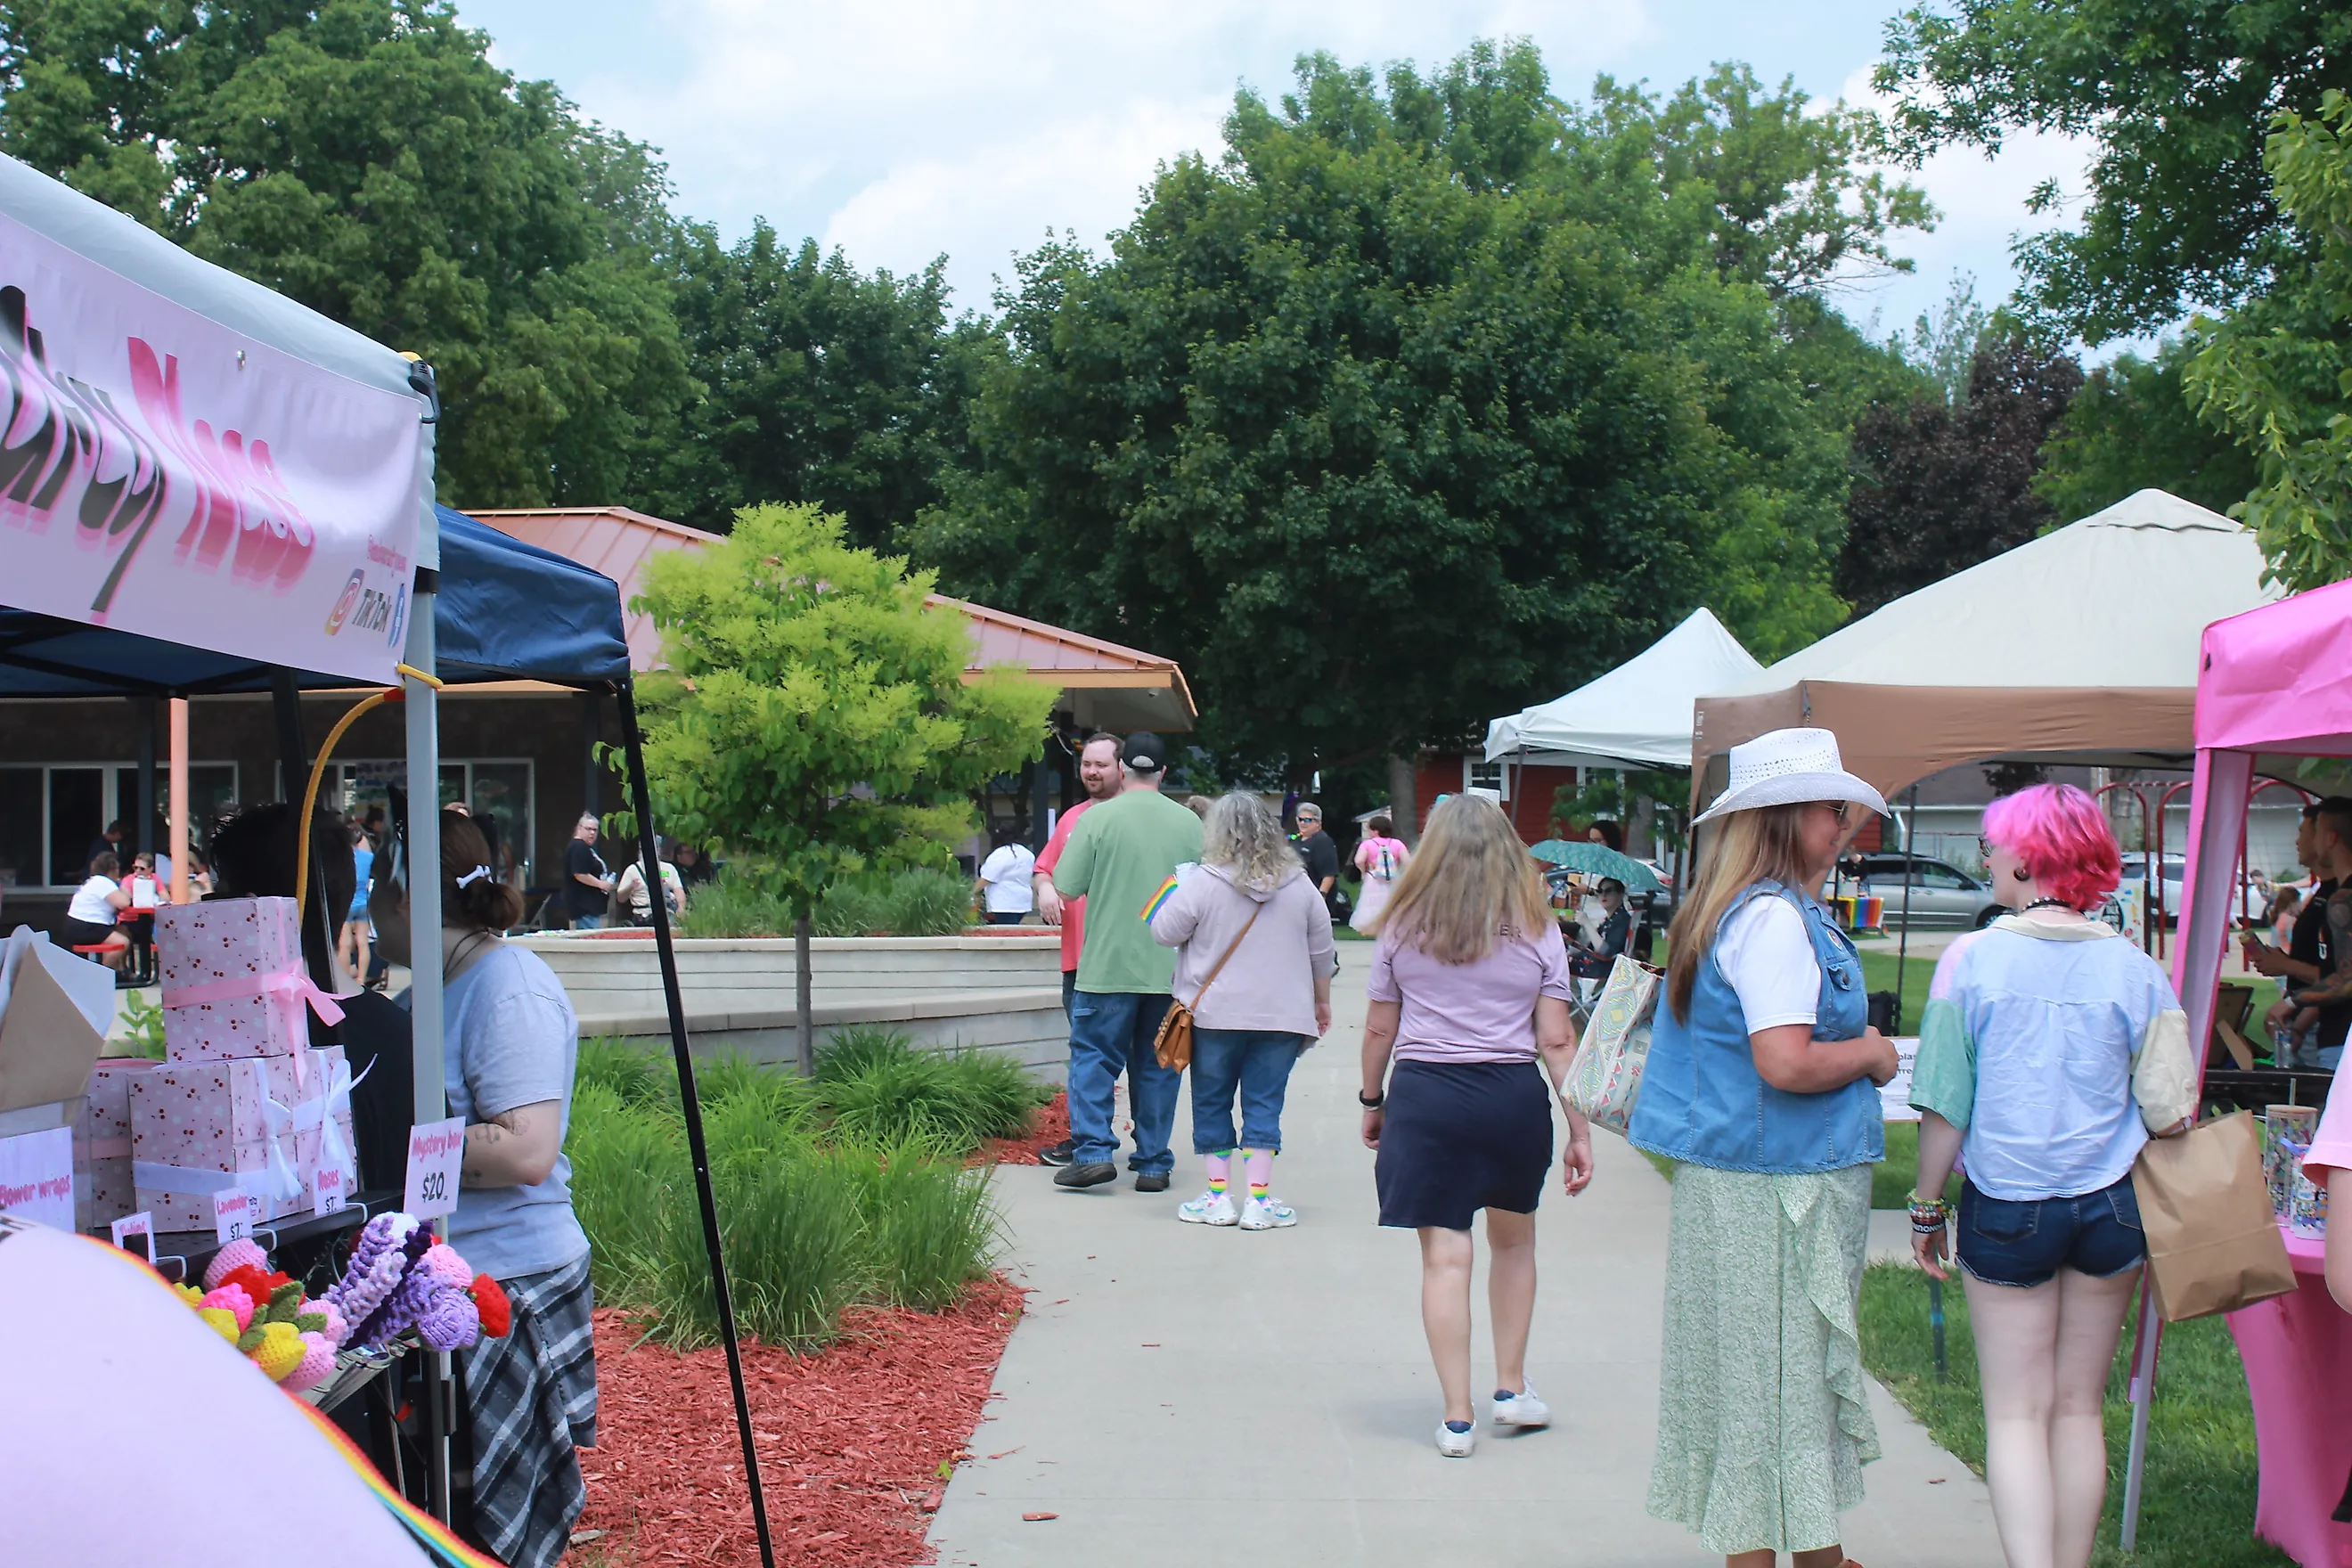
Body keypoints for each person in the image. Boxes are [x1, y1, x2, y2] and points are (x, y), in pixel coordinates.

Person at [1628, 726, 1899, 1568]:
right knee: (1773, 1392)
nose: (1845, 820)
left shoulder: (1736, 908)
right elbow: (1784, 1062)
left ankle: (1816, 1553)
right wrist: (1874, 1052)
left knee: (1761, 1391)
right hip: (1778, 1191)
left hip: (1750, 1183)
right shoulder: (1775, 921)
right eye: (1830, 806)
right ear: (1782, 817)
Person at [1908, 783, 2194, 1568]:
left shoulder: (1971, 960)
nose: (1986, 858)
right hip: (2112, 1209)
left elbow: (1943, 1105)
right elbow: (2172, 1110)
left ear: (2030, 856)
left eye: (1993, 845)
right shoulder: (2136, 969)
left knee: (2015, 1415)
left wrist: (1926, 1205)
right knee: (2077, 1411)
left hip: (2008, 1205)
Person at [372, 810, 595, 1568]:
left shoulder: (510, 985)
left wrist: (389, 1148)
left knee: (492, 1528)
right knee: (452, 1518)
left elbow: (528, 1150)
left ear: (404, 899)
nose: (366, 916)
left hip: (513, 1286)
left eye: (374, 893)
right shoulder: (421, 999)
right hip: (451, 1287)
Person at [1358, 793, 1593, 1457]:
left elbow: (1381, 1025)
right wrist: (1579, 1128)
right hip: (1511, 1097)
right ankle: (1511, 1390)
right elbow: (1556, 1040)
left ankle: (1457, 1419)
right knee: (1514, 1243)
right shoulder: (1537, 924)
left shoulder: (1402, 921)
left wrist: (1371, 1099)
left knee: (1445, 1257)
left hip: (1427, 1096)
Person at [1149, 792, 1335, 1229]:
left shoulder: (1203, 881)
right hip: (1283, 1016)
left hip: (1214, 1015)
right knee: (1264, 1104)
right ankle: (1259, 1201)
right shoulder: (1300, 883)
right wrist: (1321, 1001)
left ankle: (1218, 1198)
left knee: (1212, 1102)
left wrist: (1176, 887)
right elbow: (1322, 949)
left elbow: (1163, 931)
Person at [1047, 731, 1204, 1192]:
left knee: (1093, 1059)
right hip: (1169, 972)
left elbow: (1067, 886)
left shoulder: (1097, 819)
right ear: (1164, 773)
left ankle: (1094, 1151)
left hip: (1105, 967)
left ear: (1122, 771)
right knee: (1159, 1065)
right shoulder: (1191, 825)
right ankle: (1154, 1162)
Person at [1033, 732, 1124, 1164]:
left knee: (1141, 1063)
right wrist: (1046, 889)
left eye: (1101, 764)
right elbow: (1043, 869)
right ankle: (1088, 1143)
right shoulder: (1071, 819)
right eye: (1087, 763)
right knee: (1087, 1060)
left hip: (1132, 964)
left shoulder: (1137, 819)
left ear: (1121, 768)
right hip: (1079, 962)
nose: (1092, 771)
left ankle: (1150, 1151)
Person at [2245, 798, 2352, 1068]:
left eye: (2311, 832)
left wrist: (2293, 1002)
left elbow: (2346, 978)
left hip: (2339, 1038)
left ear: (2329, 838)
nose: (2300, 841)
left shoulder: (2342, 899)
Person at [62, 851, 133, 968]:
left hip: (77, 925)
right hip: (86, 926)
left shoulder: (93, 881)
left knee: (124, 932)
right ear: (112, 869)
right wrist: (125, 888)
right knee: (122, 942)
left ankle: (119, 971)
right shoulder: (103, 882)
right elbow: (124, 903)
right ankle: (103, 973)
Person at [1350, 814, 1410, 933]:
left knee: (1371, 903)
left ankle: (1372, 928)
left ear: (1375, 830)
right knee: (1392, 902)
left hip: (1373, 876)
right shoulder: (1397, 843)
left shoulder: (1367, 844)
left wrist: (1363, 871)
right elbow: (1407, 861)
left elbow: (1359, 860)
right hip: (1393, 877)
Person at [1570, 877, 1631, 980]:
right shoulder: (1609, 920)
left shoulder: (1622, 920)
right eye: (1600, 891)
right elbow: (1590, 949)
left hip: (1600, 976)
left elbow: (1606, 952)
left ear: (1621, 894)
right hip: (1591, 969)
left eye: (1609, 891)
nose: (1603, 895)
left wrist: (1586, 923)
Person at [614, 842, 686, 927]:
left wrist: (681, 908)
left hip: (667, 915)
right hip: (642, 916)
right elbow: (620, 898)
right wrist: (631, 887)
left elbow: (679, 890)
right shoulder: (632, 870)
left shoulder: (669, 868)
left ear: (659, 850)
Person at [559, 814, 611, 930]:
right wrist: (600, 884)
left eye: (595, 830)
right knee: (592, 943)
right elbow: (580, 873)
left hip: (589, 907)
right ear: (579, 828)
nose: (592, 833)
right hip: (584, 907)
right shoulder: (579, 847)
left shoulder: (583, 847)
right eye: (588, 829)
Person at [339, 825, 375, 986]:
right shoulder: (368, 857)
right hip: (363, 904)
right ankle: (361, 979)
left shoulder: (342, 857)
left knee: (344, 944)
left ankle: (345, 979)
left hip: (347, 903)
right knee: (363, 942)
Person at [1291, 800, 1342, 915]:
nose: (1303, 823)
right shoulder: (1296, 839)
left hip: (1315, 895)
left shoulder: (1322, 841)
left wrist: (1321, 897)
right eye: (1300, 819)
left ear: (1318, 823)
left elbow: (1329, 874)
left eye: (1308, 820)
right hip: (1297, 895)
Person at [976, 831, 1036, 926]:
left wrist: (971, 891)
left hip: (1003, 901)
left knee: (1008, 932)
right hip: (1023, 900)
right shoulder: (1026, 853)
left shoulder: (1000, 853)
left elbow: (988, 877)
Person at [2269, 884, 2303, 951]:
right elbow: (2297, 942)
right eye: (2299, 901)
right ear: (2292, 903)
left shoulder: (2277, 917)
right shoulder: (2290, 920)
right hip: (2289, 955)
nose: (2300, 904)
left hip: (2278, 955)